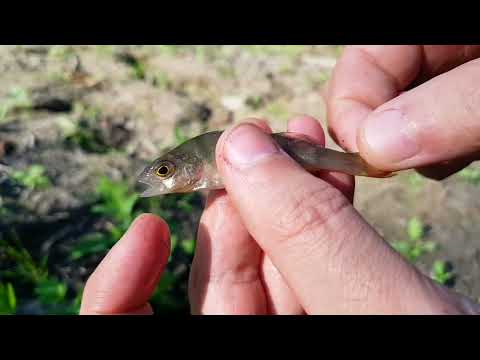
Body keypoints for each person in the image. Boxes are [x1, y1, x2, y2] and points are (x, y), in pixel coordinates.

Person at [80, 45, 480, 315]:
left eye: (165, 172)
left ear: (189, 166)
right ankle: (361, 162)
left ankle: (362, 162)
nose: (161, 181)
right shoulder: (204, 169)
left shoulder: (212, 163)